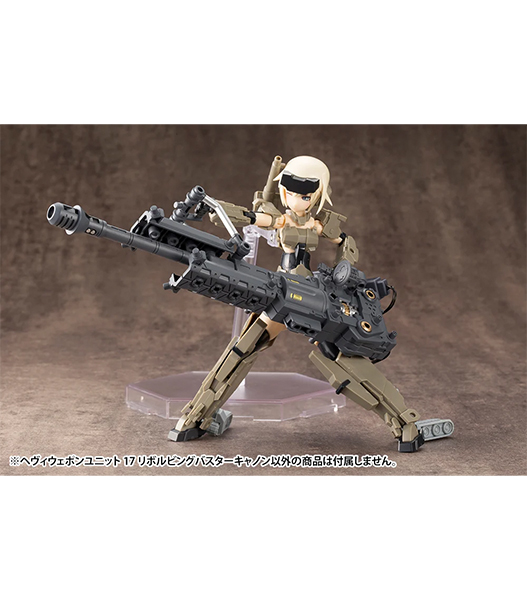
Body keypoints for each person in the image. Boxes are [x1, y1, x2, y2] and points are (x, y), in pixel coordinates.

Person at [169, 156, 424, 452]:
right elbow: (249, 217)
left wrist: (344, 275)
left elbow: (346, 242)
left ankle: (403, 422)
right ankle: (196, 416)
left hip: (313, 296)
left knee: (344, 361)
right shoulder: (282, 220)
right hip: (283, 291)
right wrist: (216, 209)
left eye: (304, 195)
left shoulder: (318, 224)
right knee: (242, 349)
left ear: (317, 195)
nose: (296, 199)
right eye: (289, 192)